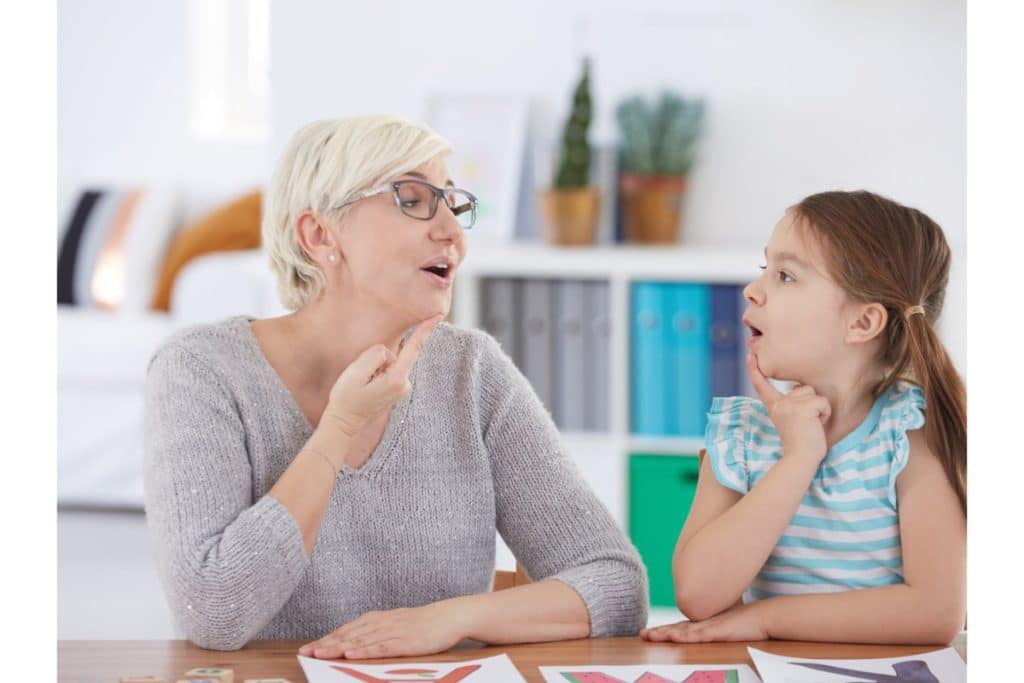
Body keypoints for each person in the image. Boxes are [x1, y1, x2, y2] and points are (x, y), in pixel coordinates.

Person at [144, 115, 647, 656]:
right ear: (319, 235)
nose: (452, 232)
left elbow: (616, 585)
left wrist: (449, 620)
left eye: (453, 204)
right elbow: (215, 611)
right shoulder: (201, 371)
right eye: (413, 198)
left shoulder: (470, 372)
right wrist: (339, 428)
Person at [642, 190, 965, 645]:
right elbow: (698, 595)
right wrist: (797, 460)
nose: (752, 290)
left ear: (862, 323)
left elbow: (935, 612)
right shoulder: (741, 436)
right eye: (764, 270)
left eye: (786, 276)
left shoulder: (912, 434)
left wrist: (765, 619)